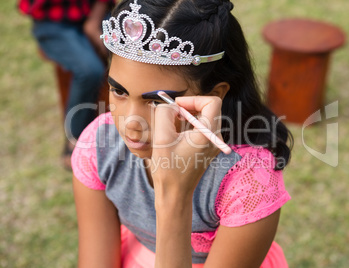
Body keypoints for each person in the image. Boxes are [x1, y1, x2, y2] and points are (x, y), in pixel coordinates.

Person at [72, 0, 293, 267]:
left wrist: (175, 197)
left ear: (213, 96)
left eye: (157, 101)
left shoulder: (250, 181)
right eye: (119, 91)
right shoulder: (98, 146)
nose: (131, 123)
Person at [18, 0, 115, 169]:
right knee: (89, 71)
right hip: (54, 21)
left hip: (96, 13)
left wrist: (94, 21)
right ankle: (74, 139)